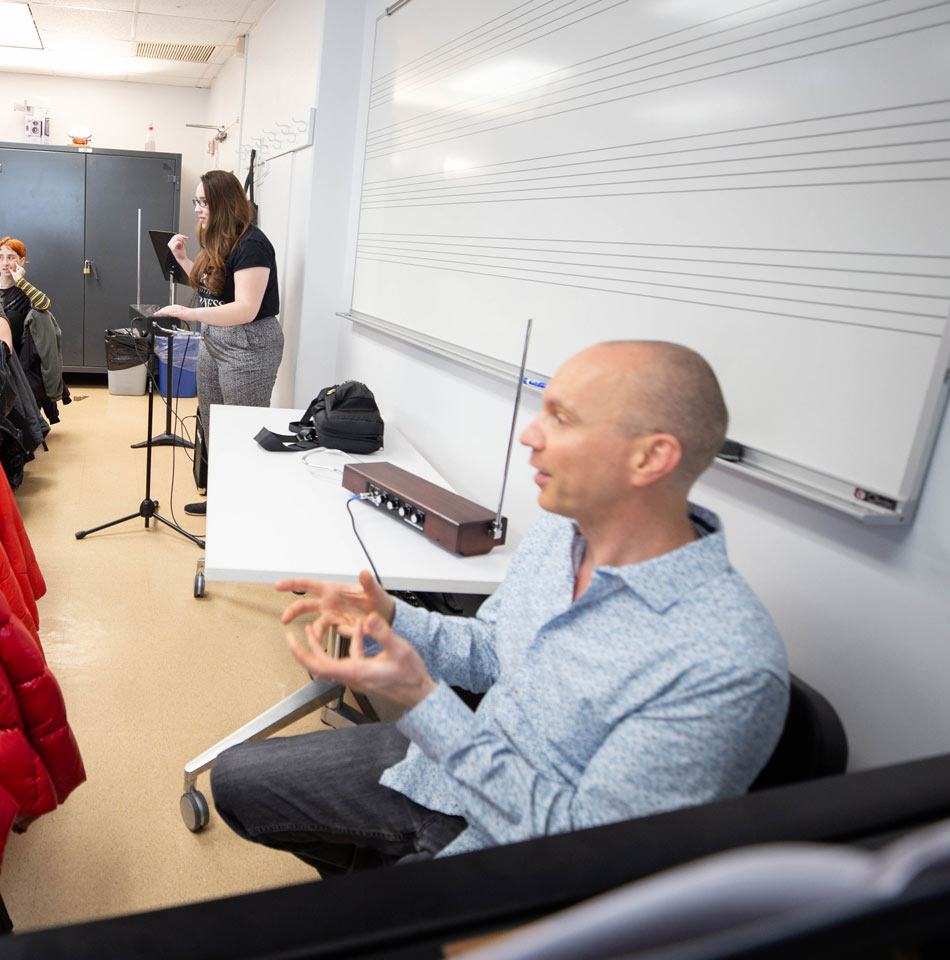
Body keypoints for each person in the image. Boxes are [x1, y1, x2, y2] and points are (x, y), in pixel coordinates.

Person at [209, 341, 790, 875]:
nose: (531, 435)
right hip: (452, 762)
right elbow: (492, 650)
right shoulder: (564, 532)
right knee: (236, 781)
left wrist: (424, 703)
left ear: (650, 457)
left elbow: (588, 856)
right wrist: (394, 619)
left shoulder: (725, 662)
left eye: (561, 418)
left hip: (521, 853)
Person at [156, 170, 283, 516]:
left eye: (204, 202)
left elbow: (245, 308)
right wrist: (183, 259)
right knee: (213, 423)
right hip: (215, 339)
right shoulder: (217, 238)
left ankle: (243, 512)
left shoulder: (252, 244)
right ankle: (222, 502)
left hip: (249, 345)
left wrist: (190, 313)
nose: (197, 208)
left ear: (223, 203)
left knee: (241, 430)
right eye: (196, 201)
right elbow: (213, 291)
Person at [0, 236, 51, 356]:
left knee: (13, 316)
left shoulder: (25, 291)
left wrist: (20, 281)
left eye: (11, 257)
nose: (5, 263)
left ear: (22, 261)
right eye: (0, 257)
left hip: (10, 353)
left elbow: (44, 304)